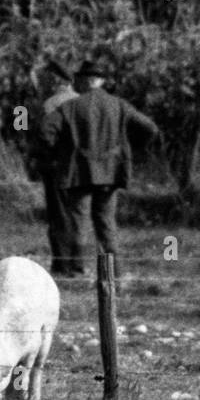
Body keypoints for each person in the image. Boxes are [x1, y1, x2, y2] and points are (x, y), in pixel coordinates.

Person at [40, 60, 160, 277]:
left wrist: (60, 152)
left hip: (79, 173)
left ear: (85, 81)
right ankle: (115, 272)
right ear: (101, 81)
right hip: (111, 172)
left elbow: (45, 132)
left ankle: (76, 270)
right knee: (106, 224)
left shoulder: (69, 107)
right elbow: (150, 128)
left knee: (79, 222)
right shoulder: (119, 105)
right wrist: (131, 149)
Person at [38, 61, 79, 275]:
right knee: (77, 215)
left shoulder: (52, 103)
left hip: (57, 166)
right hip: (81, 168)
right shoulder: (81, 101)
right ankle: (77, 262)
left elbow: (42, 134)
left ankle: (62, 264)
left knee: (58, 215)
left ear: (56, 80)